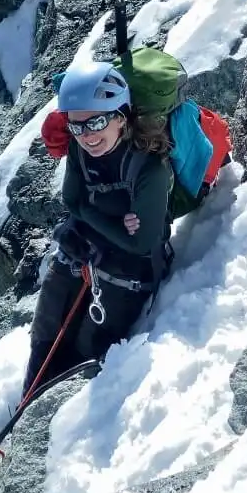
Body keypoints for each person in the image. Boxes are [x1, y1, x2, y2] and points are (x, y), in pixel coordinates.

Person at [21, 60, 175, 395]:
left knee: (86, 347)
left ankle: (50, 415)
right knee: (48, 323)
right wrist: (109, 222)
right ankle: (26, 405)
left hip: (128, 272)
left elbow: (141, 243)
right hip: (86, 249)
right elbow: (72, 202)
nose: (87, 135)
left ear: (120, 116)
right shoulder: (80, 147)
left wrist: (90, 216)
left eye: (97, 121)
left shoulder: (150, 167)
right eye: (77, 127)